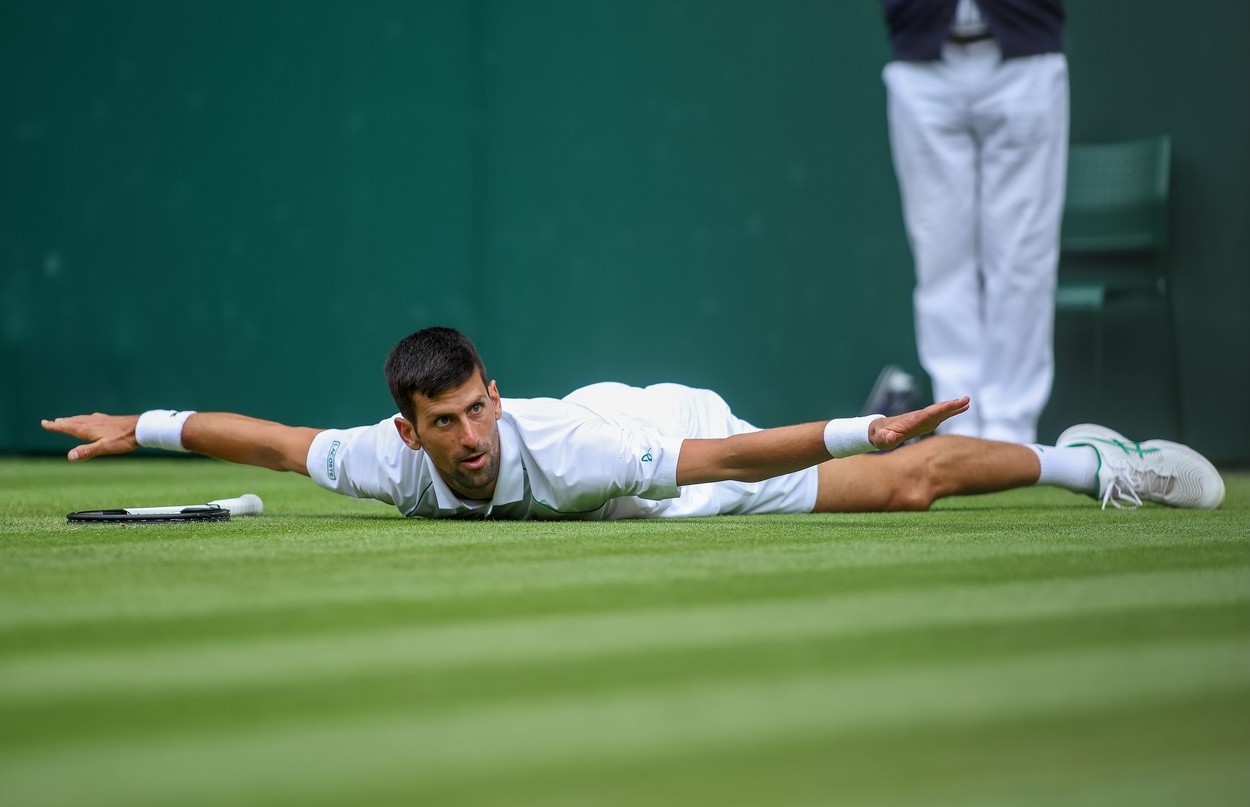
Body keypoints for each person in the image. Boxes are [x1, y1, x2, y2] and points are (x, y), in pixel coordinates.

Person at [41, 327, 1224, 519]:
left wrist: (866, 436)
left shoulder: (571, 450)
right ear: (406, 431)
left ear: (492, 393)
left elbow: (726, 454)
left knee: (910, 486)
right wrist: (137, 423)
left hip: (673, 443)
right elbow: (267, 442)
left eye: (475, 408)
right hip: (650, 460)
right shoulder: (381, 461)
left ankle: (1094, 468)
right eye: (442, 423)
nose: (467, 436)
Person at [882, 0, 1068, 443]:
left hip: (1025, 56)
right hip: (921, 58)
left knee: (1023, 257)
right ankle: (958, 428)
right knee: (938, 256)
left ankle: (1012, 431)